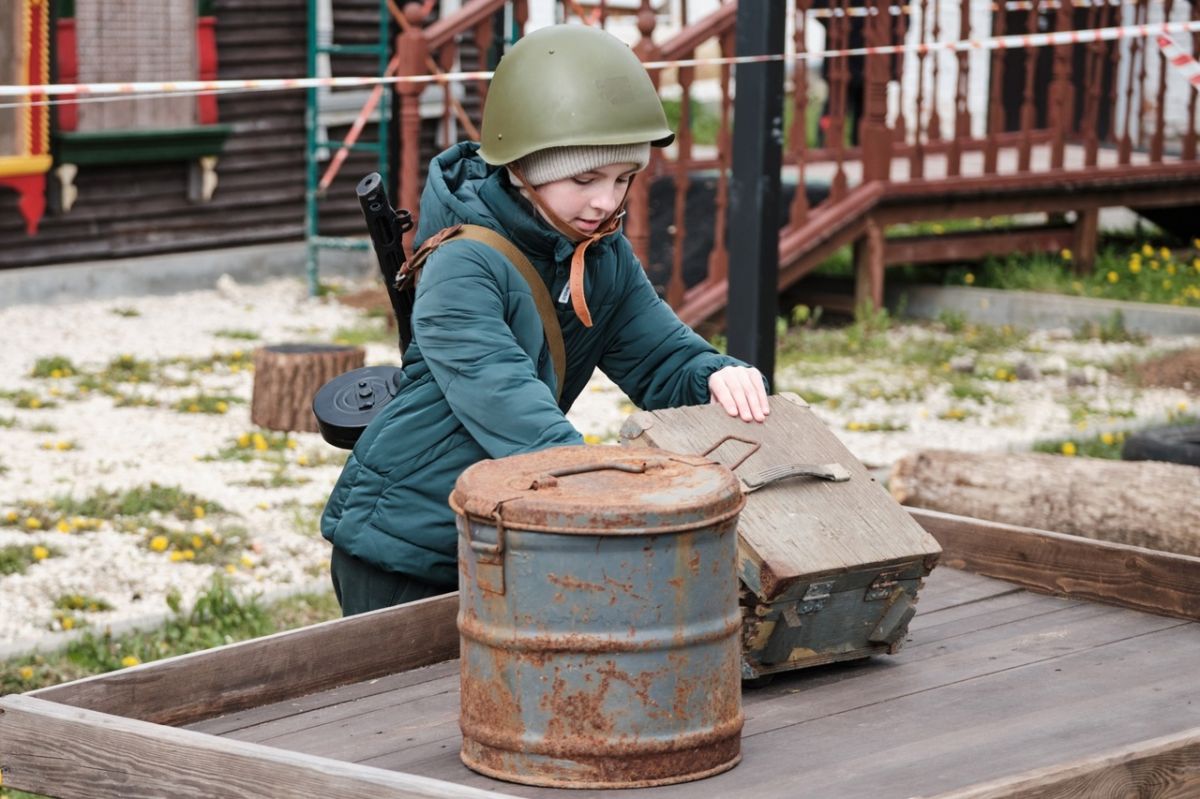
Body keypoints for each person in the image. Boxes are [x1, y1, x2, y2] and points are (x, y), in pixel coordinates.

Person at [321, 24, 770, 616]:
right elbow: (509, 402)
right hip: (403, 546)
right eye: (584, 179)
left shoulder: (600, 255)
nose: (606, 201)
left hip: (503, 530)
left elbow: (661, 356)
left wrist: (715, 375)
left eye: (623, 179)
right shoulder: (462, 263)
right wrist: (599, 485)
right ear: (523, 167)